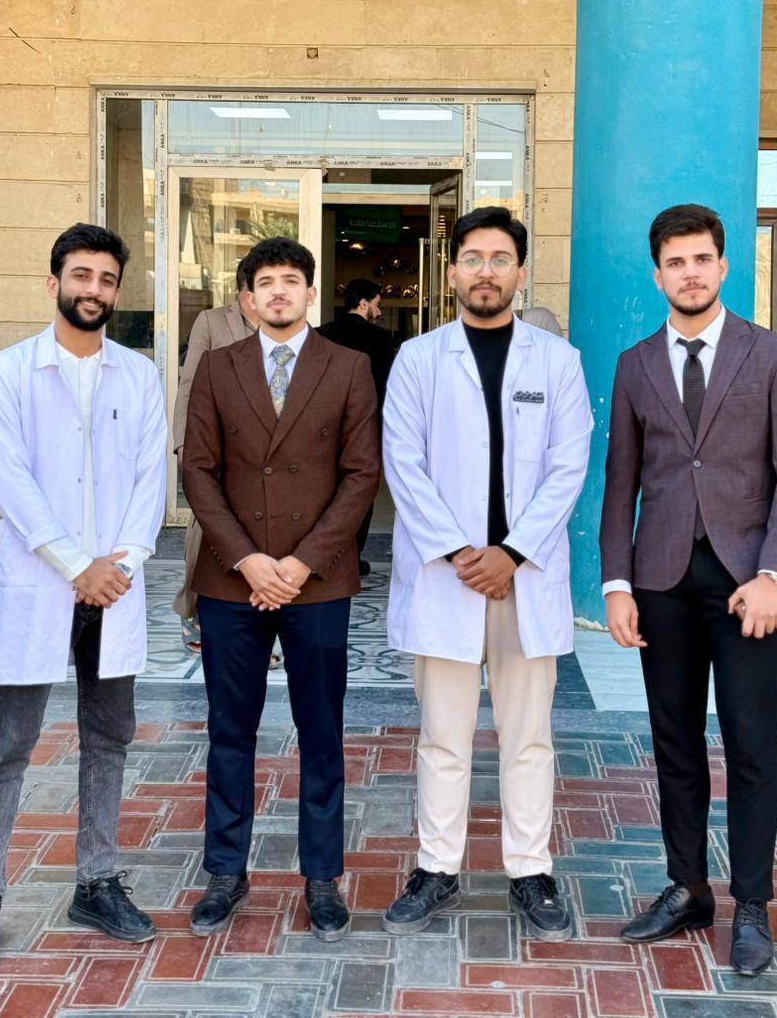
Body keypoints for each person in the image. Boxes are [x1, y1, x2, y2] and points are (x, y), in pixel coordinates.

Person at [599, 203, 777, 977]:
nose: (690, 273)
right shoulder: (635, 365)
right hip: (661, 581)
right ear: (657, 274)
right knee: (675, 740)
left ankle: (752, 902)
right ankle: (688, 887)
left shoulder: (770, 354)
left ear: (723, 266)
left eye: (701, 259)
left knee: (751, 743)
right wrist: (616, 583)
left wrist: (775, 574)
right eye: (676, 262)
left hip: (746, 584)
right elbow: (620, 483)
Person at [0, 223, 167, 973]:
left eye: (106, 279)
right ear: (54, 283)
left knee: (109, 739)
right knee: (7, 746)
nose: (93, 290)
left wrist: (122, 562)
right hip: (44, 582)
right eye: (81, 275)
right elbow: (5, 477)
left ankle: (96, 883)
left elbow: (151, 479)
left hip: (115, 586)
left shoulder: (138, 375)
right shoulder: (13, 370)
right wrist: (77, 565)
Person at [382, 206, 593, 942]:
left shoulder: (557, 362)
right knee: (443, 735)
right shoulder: (418, 359)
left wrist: (513, 552)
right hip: (448, 577)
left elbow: (569, 466)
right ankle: (436, 867)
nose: (486, 272)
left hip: (524, 579)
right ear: (452, 272)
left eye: (501, 259)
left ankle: (530, 870)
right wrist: (459, 552)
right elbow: (402, 463)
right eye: (472, 258)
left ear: (520, 273)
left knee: (527, 736)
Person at [182, 236, 380, 943]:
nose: (278, 291)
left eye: (291, 280)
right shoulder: (217, 367)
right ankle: (225, 872)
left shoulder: (348, 367)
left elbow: (362, 474)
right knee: (229, 730)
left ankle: (322, 877)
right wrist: (247, 560)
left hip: (316, 582)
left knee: (321, 732)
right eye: (264, 281)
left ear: (309, 293)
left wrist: (300, 563)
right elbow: (197, 471)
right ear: (246, 298)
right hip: (232, 579)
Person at [172, 255, 268, 656]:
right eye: (251, 293)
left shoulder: (285, 323)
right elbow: (189, 383)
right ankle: (192, 609)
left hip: (265, 452)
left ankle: (260, 630)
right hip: (215, 443)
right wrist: (183, 442)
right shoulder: (211, 322)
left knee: (261, 536)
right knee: (205, 529)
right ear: (241, 291)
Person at [318, 278, 395, 574]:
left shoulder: (321, 334)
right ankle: (352, 555)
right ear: (363, 303)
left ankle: (326, 553)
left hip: (323, 426)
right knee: (360, 489)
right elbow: (385, 387)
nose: (380, 310)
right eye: (377, 303)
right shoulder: (380, 339)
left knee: (325, 489)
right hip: (364, 426)